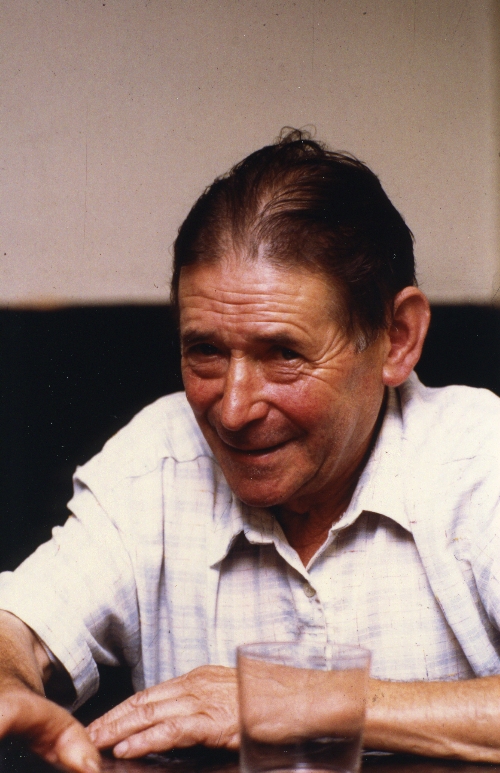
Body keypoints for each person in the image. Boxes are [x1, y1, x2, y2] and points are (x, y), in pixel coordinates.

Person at [1, 129, 500, 773]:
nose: (233, 410)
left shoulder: (481, 457)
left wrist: (298, 703)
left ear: (397, 338)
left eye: (284, 354)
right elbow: (17, 626)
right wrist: (9, 689)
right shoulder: (157, 460)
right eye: (206, 351)